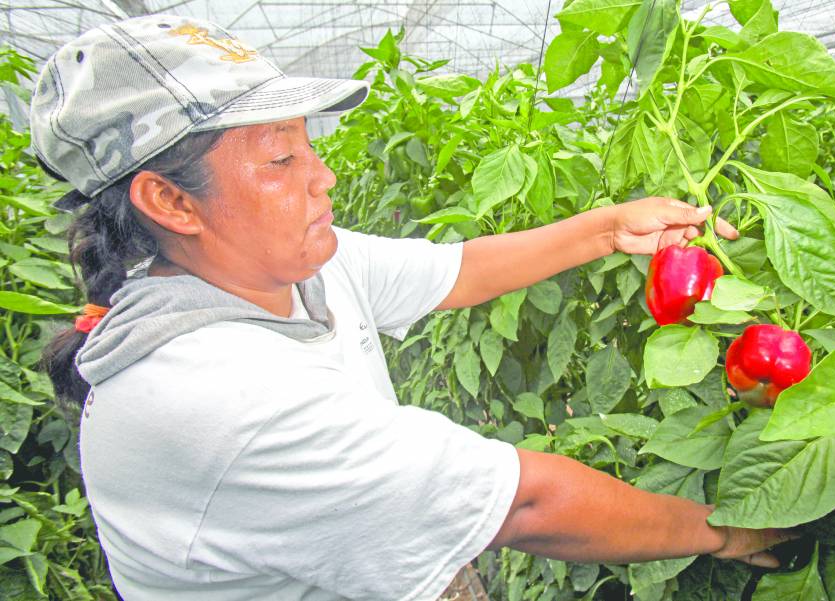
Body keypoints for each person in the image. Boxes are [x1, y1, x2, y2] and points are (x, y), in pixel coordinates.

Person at [33, 14, 790, 601]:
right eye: (280, 158)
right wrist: (724, 530)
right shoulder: (211, 395)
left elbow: (456, 270)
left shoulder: (280, 266)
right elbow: (526, 503)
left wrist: (607, 227)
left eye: (309, 145)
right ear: (170, 200)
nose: (322, 176)